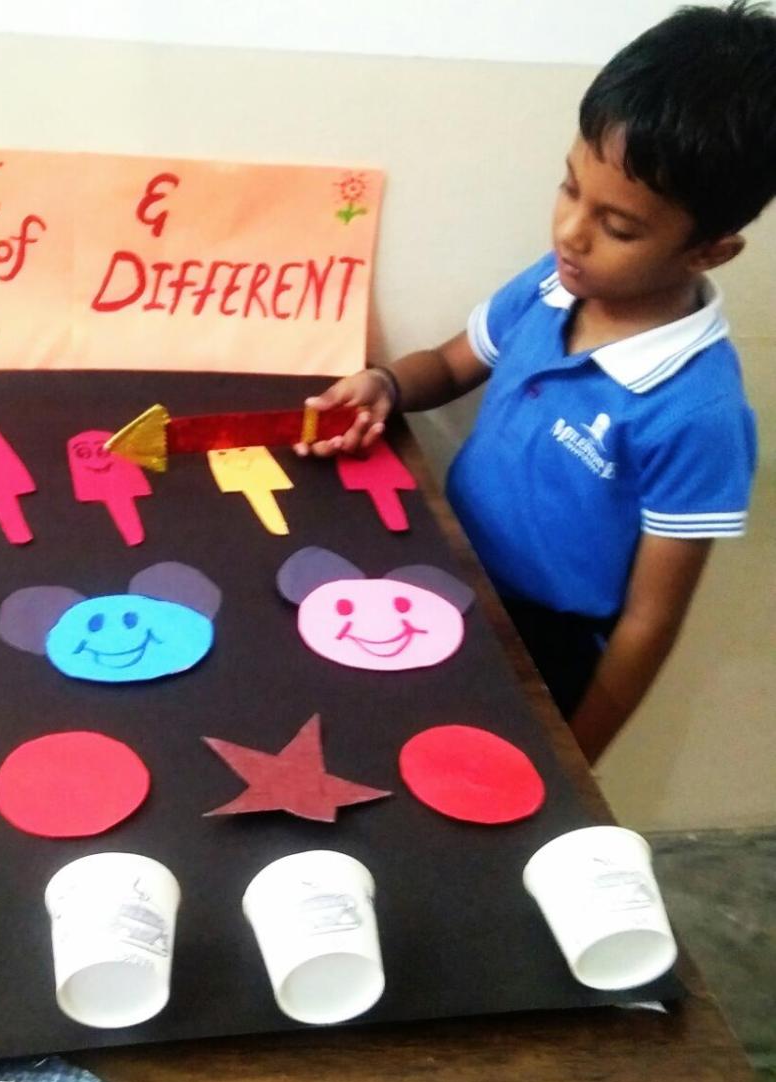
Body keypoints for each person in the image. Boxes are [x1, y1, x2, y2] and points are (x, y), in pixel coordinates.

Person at [296, 1, 776, 764]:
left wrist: (574, 755)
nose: (570, 232)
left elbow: (649, 626)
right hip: (441, 567)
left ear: (710, 252)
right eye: (570, 187)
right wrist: (387, 383)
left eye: (618, 227)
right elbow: (450, 364)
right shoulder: (554, 285)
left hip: (542, 643)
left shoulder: (698, 413)